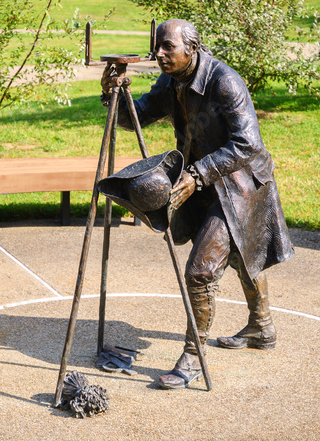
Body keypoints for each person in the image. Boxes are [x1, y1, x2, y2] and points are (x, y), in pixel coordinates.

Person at [100, 19, 294, 390]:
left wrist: (198, 174)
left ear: (192, 47)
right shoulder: (171, 81)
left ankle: (192, 356)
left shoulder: (224, 82)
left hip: (241, 184)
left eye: (167, 47)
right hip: (206, 182)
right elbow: (136, 117)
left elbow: (247, 144)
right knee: (239, 253)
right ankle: (262, 326)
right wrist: (114, 95)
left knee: (201, 271)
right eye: (157, 46)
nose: (159, 53)